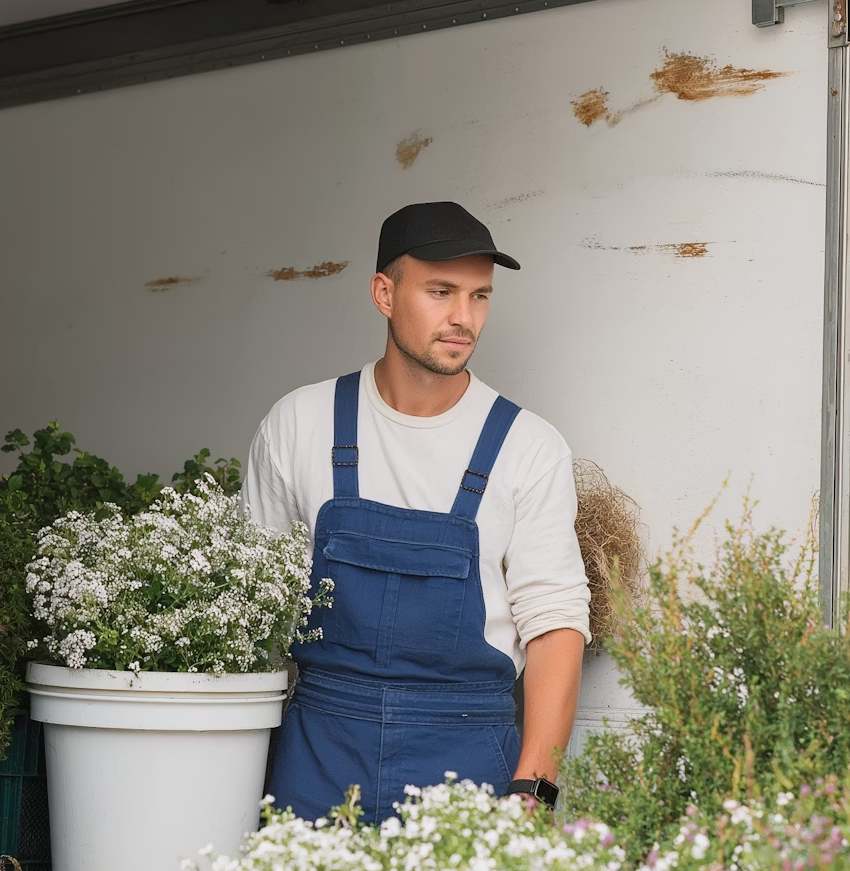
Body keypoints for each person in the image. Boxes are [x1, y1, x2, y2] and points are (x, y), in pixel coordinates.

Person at [244, 201, 590, 824]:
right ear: (384, 292)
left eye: (479, 296)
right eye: (440, 291)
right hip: (318, 753)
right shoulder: (298, 424)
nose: (464, 318)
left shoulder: (528, 446)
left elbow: (555, 625)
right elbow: (254, 615)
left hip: (467, 759)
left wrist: (533, 793)